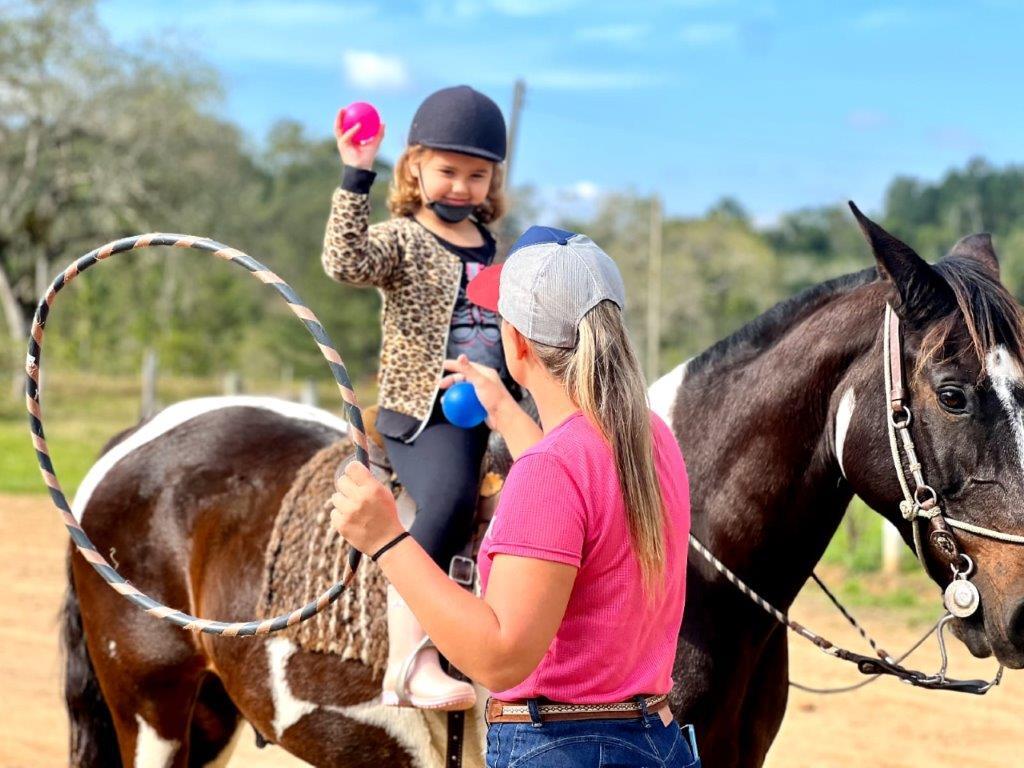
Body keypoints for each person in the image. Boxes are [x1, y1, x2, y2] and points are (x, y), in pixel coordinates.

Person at [331, 227, 700, 767]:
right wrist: (504, 409)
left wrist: (386, 539)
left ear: (516, 343)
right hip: (654, 740)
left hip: (563, 750)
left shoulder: (553, 470)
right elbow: (576, 491)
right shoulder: (648, 435)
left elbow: (500, 659)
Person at [321, 85, 514, 711]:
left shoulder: (497, 253)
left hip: (497, 413)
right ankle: (408, 663)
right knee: (452, 499)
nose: (461, 186)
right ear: (416, 168)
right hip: (425, 415)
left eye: (476, 175)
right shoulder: (403, 239)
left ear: (492, 182)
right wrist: (356, 172)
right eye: (448, 171)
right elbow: (344, 261)